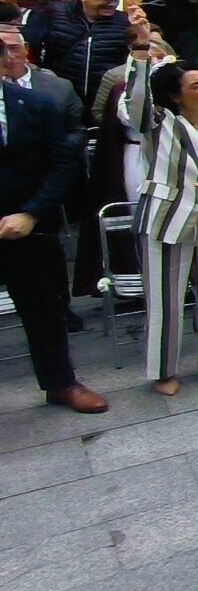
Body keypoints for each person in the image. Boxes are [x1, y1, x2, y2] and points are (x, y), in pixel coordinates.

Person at [123, 51, 198, 396]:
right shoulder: (160, 122)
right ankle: (163, 369)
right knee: (165, 297)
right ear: (177, 95)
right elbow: (135, 103)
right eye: (197, 86)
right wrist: (141, 56)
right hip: (167, 218)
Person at [0, 28, 103, 412]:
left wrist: (31, 213)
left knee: (42, 310)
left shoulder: (34, 104)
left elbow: (62, 164)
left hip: (26, 226)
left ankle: (60, 383)